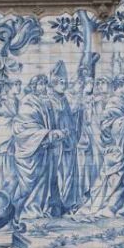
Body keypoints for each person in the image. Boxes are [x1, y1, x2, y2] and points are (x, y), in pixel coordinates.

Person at [82, 75, 124, 217]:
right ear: (121, 85)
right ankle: (107, 206)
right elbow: (106, 124)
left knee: (120, 177)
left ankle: (115, 207)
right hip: (115, 146)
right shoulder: (114, 101)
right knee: (113, 176)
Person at [12, 74, 64, 219]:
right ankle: (29, 210)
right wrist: (48, 134)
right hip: (32, 149)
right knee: (32, 181)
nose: (43, 87)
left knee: (45, 179)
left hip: (43, 148)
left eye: (45, 84)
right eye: (40, 84)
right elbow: (26, 126)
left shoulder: (44, 101)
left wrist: (55, 133)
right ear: (34, 86)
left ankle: (42, 208)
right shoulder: (28, 102)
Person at [49, 60, 80, 212]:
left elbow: (70, 119)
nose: (63, 84)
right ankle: (58, 204)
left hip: (69, 143)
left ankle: (68, 203)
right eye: (60, 82)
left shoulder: (64, 99)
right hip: (57, 144)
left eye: (64, 82)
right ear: (53, 83)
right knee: (58, 174)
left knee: (69, 174)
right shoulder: (50, 100)